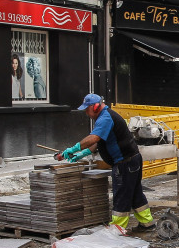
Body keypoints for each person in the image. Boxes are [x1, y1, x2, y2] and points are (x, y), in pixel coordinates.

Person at [57, 93, 155, 233]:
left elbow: (93, 138)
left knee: (121, 196)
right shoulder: (105, 117)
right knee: (135, 193)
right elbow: (98, 142)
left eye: (87, 109)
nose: (86, 113)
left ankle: (117, 230)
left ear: (95, 106)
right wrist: (81, 154)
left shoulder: (105, 118)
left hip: (125, 163)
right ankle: (147, 224)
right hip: (132, 160)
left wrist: (73, 148)